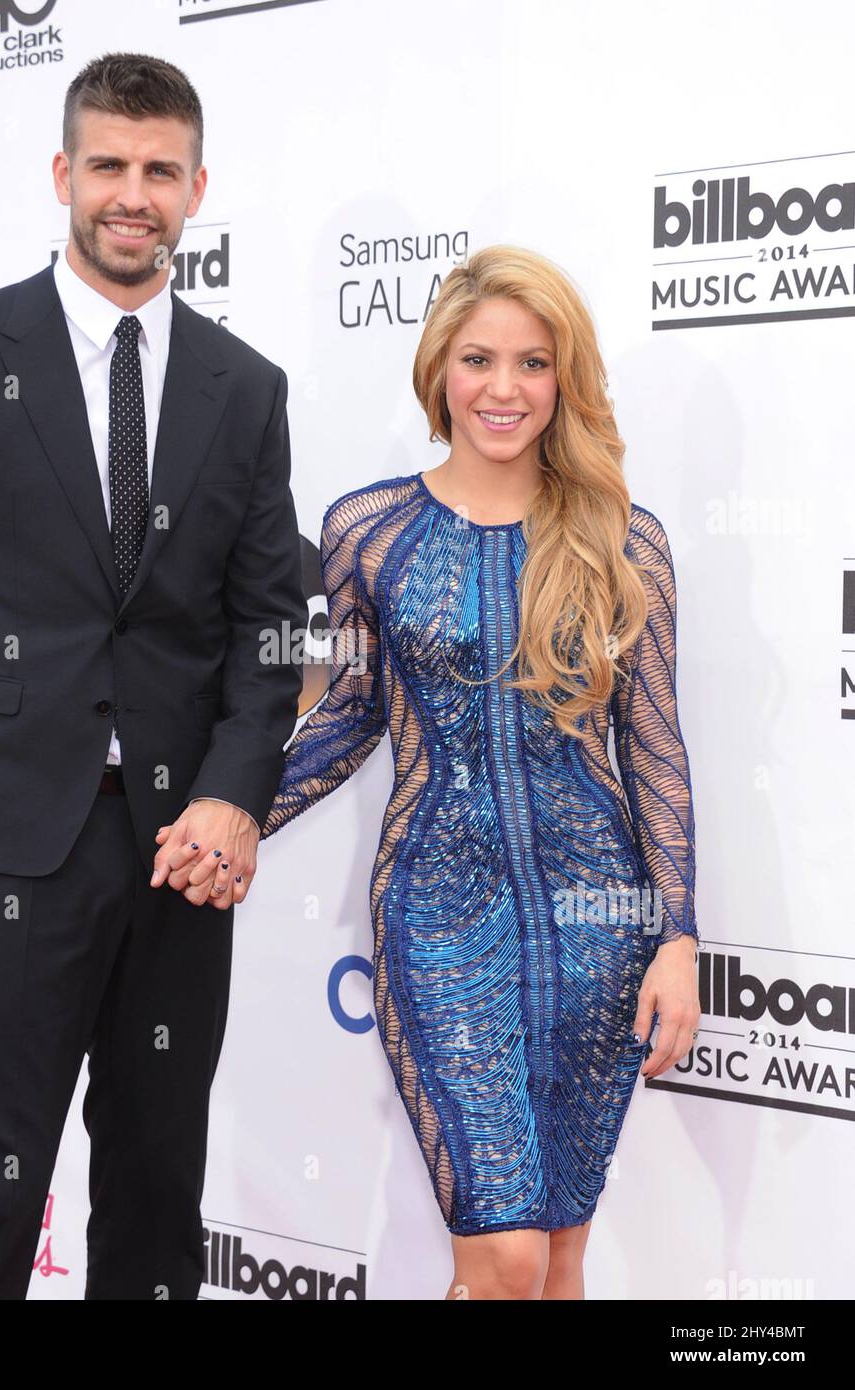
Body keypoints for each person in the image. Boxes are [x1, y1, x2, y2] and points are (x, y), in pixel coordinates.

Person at [0, 53, 306, 1300]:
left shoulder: (244, 388)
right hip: (3, 840)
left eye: (160, 170)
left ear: (198, 186)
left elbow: (271, 629)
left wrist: (234, 794)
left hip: (178, 851)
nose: (132, 194)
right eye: (108, 165)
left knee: (158, 1188)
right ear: (63, 174)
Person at [257, 245, 701, 1300]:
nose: (504, 389)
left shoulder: (620, 541)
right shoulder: (367, 532)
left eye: (533, 363)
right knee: (498, 1254)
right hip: (438, 911)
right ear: (438, 373)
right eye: (478, 360)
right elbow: (350, 713)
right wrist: (231, 811)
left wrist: (676, 933)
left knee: (555, 1259)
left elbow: (654, 748)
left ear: (565, 379)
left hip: (599, 922)